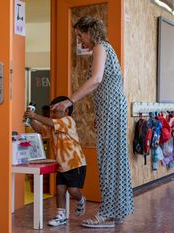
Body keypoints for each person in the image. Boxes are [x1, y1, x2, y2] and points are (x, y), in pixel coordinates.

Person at [51, 16, 134, 228]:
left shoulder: (100, 47)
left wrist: (70, 100)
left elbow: (96, 79)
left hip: (112, 109)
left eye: (80, 35)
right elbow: (106, 84)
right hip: (111, 109)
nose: (80, 41)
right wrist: (100, 114)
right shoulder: (104, 48)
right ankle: (117, 210)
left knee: (109, 161)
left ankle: (107, 213)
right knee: (114, 160)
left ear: (90, 31)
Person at [24, 96, 87, 227]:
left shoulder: (68, 121)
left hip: (75, 164)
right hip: (62, 166)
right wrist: (30, 119)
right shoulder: (53, 126)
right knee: (59, 190)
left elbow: (51, 123)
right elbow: (41, 130)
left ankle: (81, 200)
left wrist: (35, 115)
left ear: (66, 111)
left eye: (56, 110)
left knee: (73, 190)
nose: (52, 114)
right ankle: (61, 215)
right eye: (51, 111)